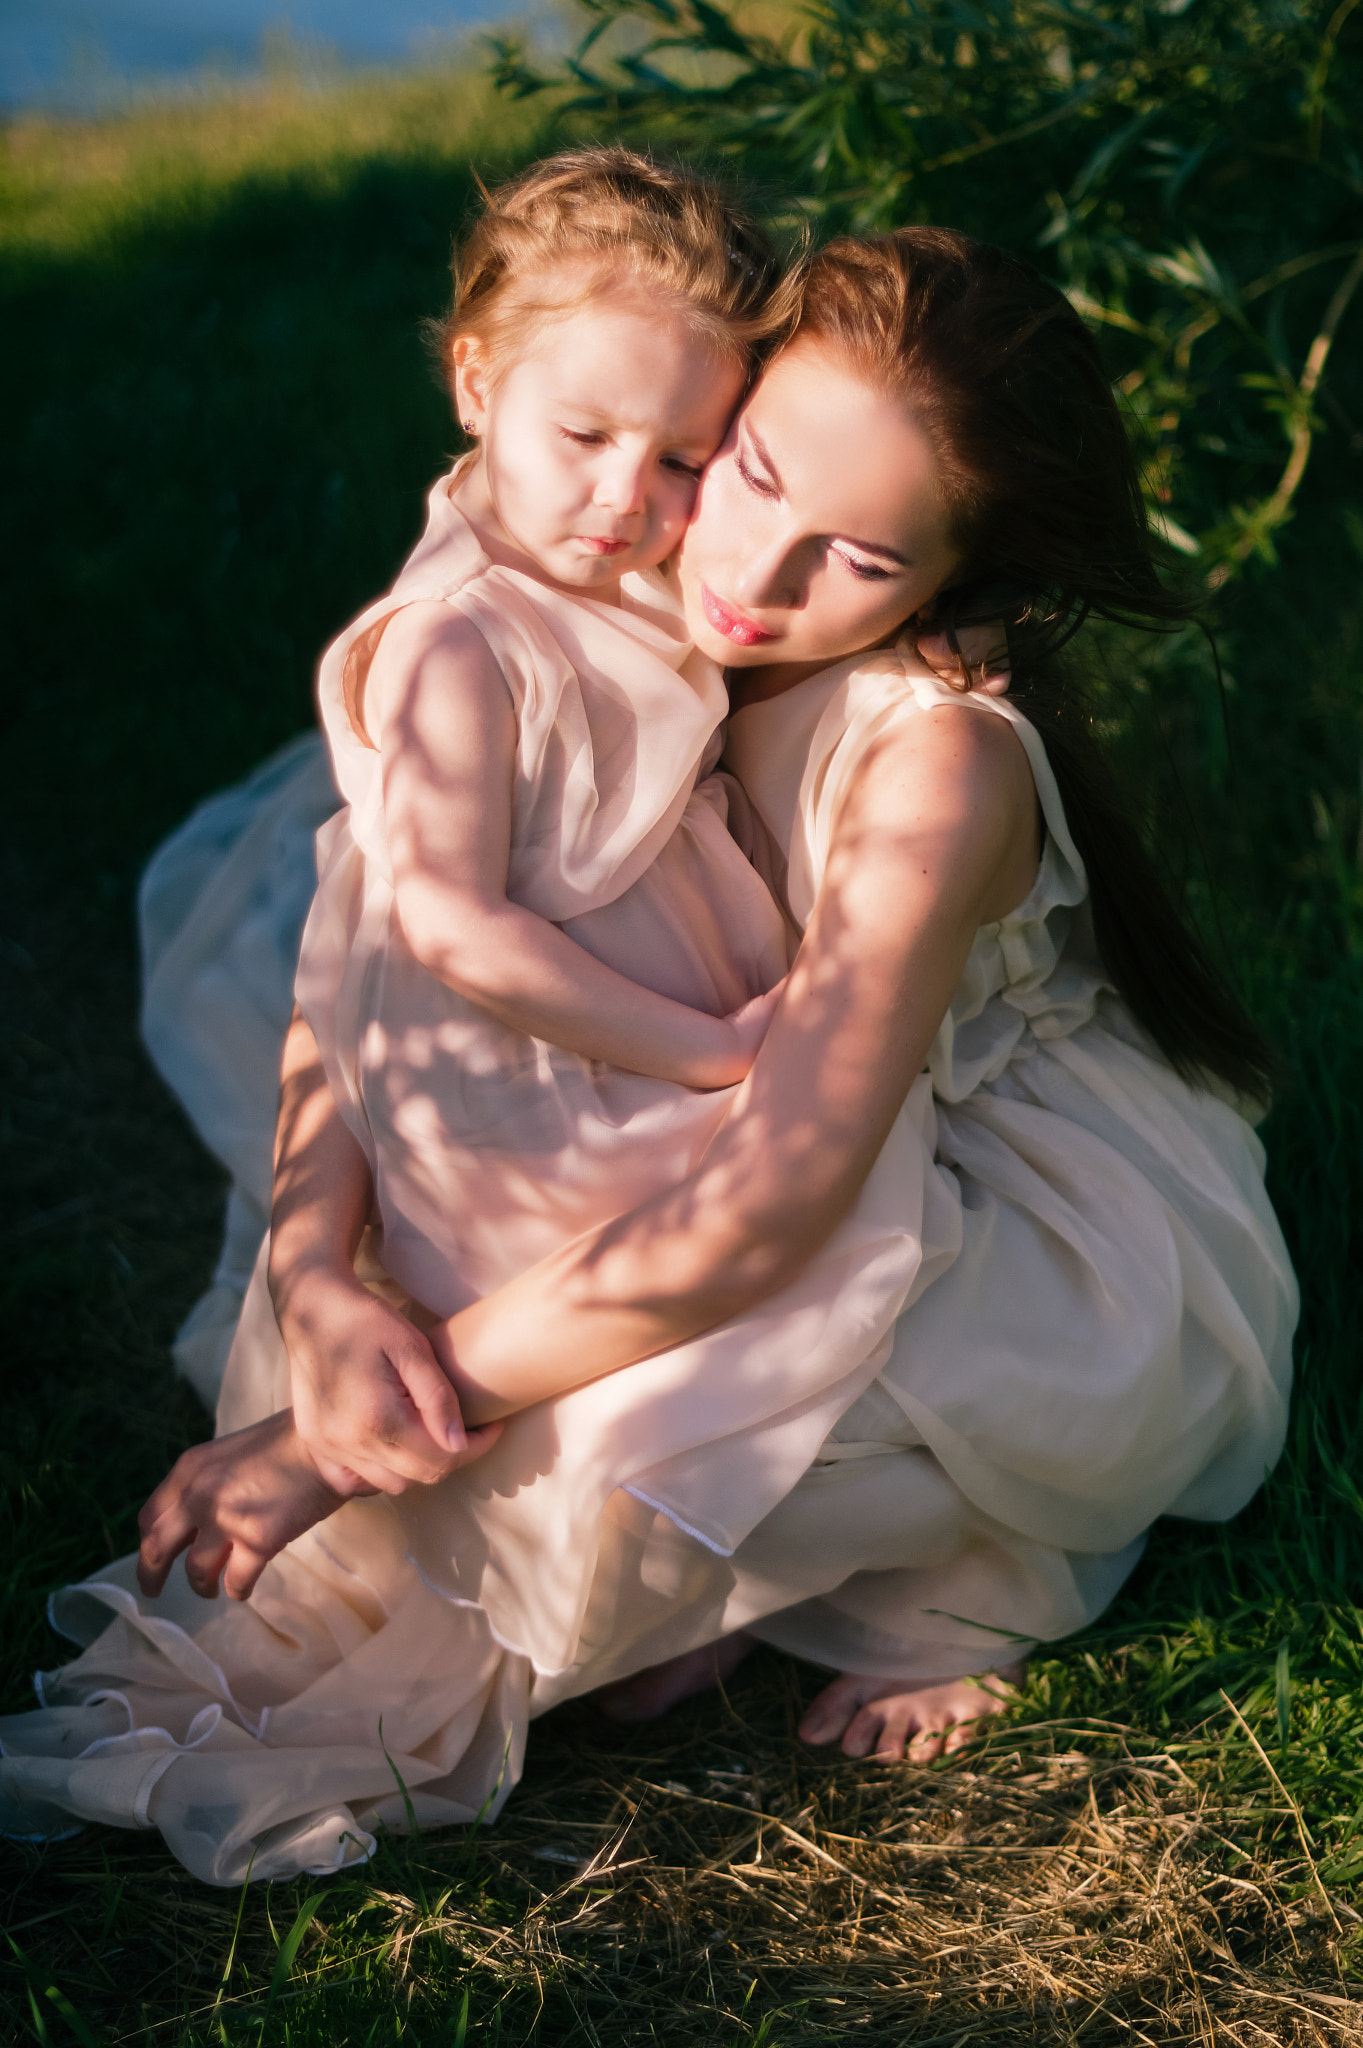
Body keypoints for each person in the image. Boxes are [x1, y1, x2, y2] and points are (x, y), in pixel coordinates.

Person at [0, 218, 1296, 1888]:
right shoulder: (615, 564)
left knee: (527, 1446)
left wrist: (352, 1433)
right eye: (748, 472)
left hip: (975, 1214)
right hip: (713, 1121)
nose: (749, 582)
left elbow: (775, 1208)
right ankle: (732, 1578)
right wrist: (322, 1267)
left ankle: (947, 1570)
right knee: (404, 1333)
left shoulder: (937, 767)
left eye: (862, 559)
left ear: (962, 581)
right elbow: (378, 948)